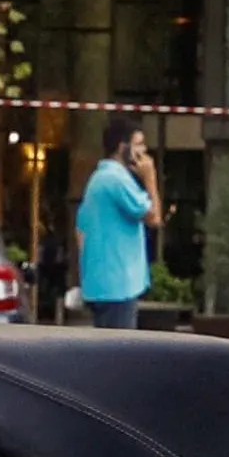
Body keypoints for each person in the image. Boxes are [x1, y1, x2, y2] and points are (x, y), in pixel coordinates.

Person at [76, 126, 159, 328]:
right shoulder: (117, 179)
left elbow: (79, 231)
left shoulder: (99, 178)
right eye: (139, 144)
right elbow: (154, 217)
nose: (144, 151)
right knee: (120, 355)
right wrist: (150, 177)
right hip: (118, 285)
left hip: (103, 282)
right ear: (123, 147)